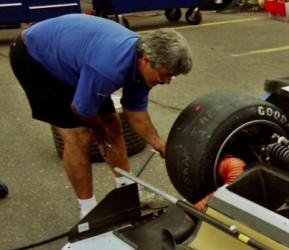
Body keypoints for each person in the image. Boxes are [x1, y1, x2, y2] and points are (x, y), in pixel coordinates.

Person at [9, 13, 192, 218]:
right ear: (146, 61)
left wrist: (160, 144)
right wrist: (99, 129)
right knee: (79, 134)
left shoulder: (144, 67)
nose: (167, 81)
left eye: (171, 77)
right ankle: (88, 210)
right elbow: (80, 109)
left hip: (79, 59)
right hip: (36, 59)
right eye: (165, 75)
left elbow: (136, 113)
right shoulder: (109, 68)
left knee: (113, 125)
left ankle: (128, 192)